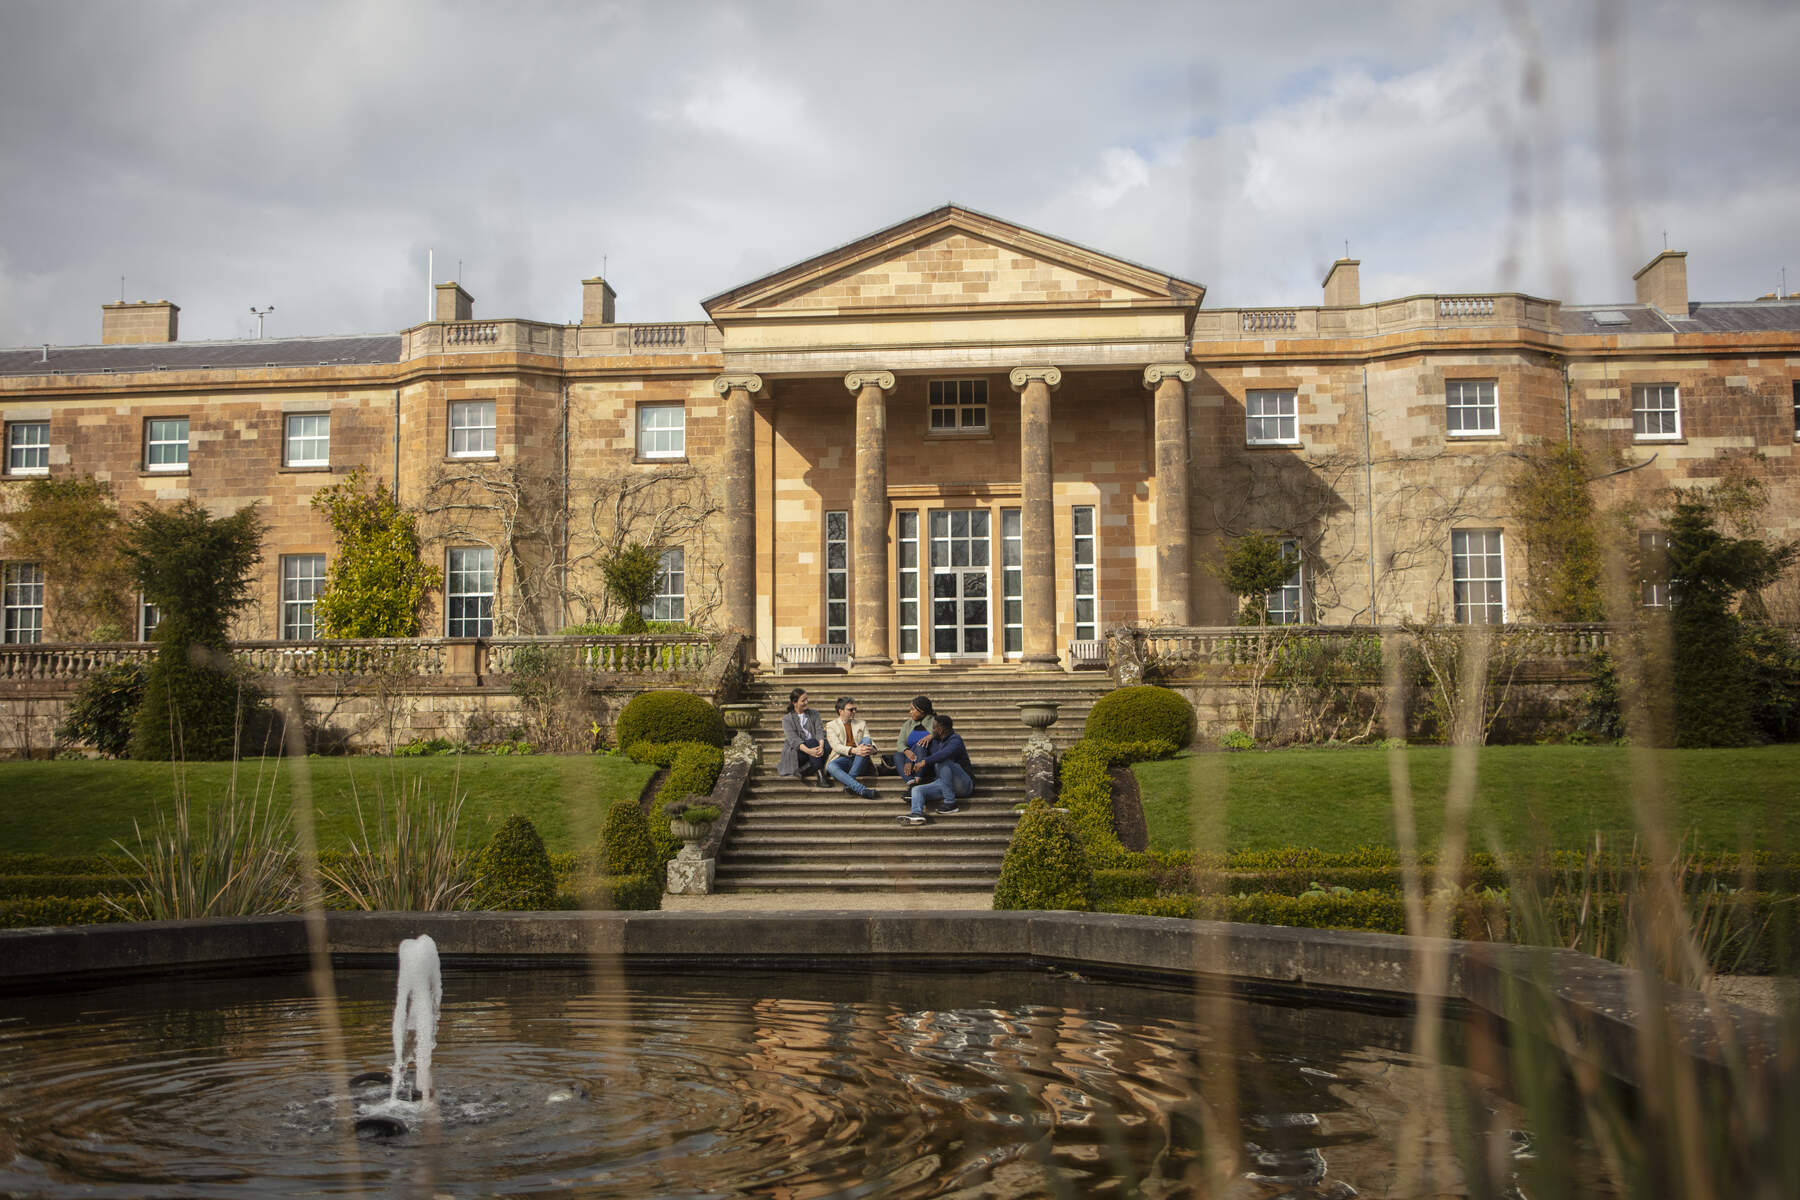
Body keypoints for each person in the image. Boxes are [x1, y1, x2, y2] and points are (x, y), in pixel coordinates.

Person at [900, 713, 973, 825]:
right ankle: (916, 814)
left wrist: (924, 761)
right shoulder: (935, 741)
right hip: (944, 784)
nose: (932, 730)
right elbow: (916, 746)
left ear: (941, 729)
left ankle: (951, 803)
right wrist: (909, 761)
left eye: (934, 727)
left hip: (963, 783)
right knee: (917, 790)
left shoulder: (956, 739)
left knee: (942, 761)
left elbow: (945, 754)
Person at [823, 696, 880, 799]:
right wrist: (854, 750)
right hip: (843, 758)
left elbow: (869, 739)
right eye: (850, 710)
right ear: (841, 711)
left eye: (855, 709)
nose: (854, 711)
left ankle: (850, 780)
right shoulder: (831, 725)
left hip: (861, 759)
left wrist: (873, 749)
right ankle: (862, 790)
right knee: (830, 766)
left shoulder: (861, 723)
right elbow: (836, 746)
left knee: (867, 741)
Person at [777, 688, 830, 788]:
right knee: (812, 742)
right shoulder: (787, 719)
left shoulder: (814, 713)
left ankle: (803, 770)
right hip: (798, 751)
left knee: (828, 746)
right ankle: (820, 776)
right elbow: (794, 740)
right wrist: (810, 751)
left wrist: (821, 746)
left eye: (807, 699)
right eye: (803, 700)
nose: (806, 702)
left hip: (817, 748)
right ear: (794, 702)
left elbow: (819, 731)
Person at [891, 695, 934, 778]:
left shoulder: (935, 722)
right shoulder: (908, 724)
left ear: (921, 710)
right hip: (911, 757)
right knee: (897, 756)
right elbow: (900, 743)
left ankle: (918, 777)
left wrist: (932, 736)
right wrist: (906, 751)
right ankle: (910, 781)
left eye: (912, 709)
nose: (910, 712)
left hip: (926, 759)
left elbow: (943, 734)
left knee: (920, 746)